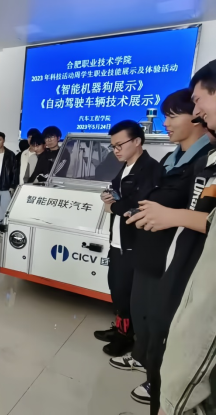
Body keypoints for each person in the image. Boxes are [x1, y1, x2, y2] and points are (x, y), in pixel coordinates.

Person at [112, 89, 213, 407]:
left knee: (162, 322)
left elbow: (199, 217)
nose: (165, 123)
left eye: (172, 115)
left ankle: (157, 381)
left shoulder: (204, 162)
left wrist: (166, 214)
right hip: (150, 249)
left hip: (174, 256)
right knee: (142, 313)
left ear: (197, 117)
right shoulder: (170, 158)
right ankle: (143, 360)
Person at [155, 65, 216, 415]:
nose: (197, 111)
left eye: (198, 100)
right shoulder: (187, 158)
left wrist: (175, 216)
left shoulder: (203, 159)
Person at [95, 121, 163, 360]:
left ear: (137, 141)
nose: (116, 150)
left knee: (126, 293)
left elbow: (138, 206)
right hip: (118, 240)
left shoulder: (150, 170)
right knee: (116, 287)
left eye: (119, 145)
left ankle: (126, 338)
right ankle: (120, 329)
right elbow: (119, 197)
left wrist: (113, 206)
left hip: (134, 243)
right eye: (113, 146)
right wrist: (109, 198)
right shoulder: (125, 167)